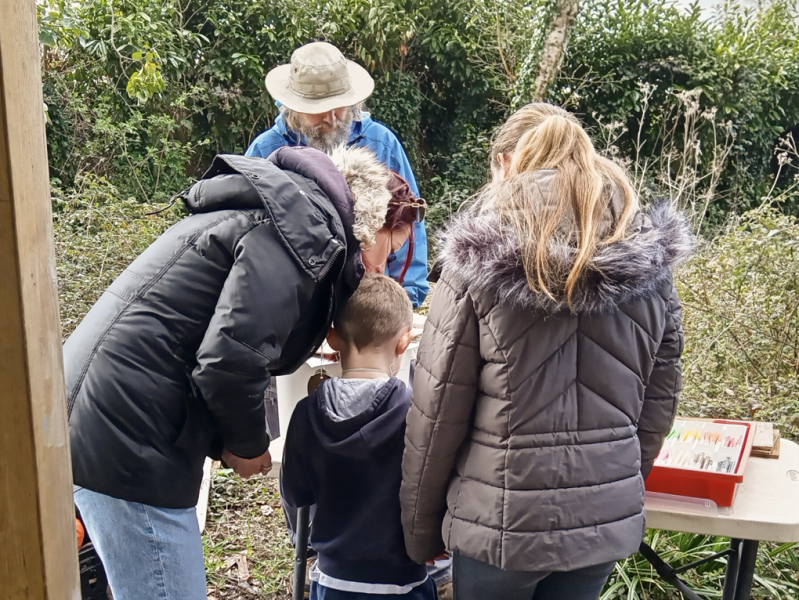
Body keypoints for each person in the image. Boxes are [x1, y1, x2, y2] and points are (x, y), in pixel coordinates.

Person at [65, 144, 392, 600]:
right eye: (389, 247)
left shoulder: (275, 215)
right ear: (368, 224)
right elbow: (230, 362)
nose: (380, 267)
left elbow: (211, 340)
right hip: (129, 436)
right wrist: (247, 445)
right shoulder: (301, 232)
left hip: (97, 411)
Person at [400, 103, 693, 599]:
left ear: (506, 163)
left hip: (498, 528)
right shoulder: (652, 268)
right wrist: (611, 493)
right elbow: (657, 407)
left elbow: (437, 410)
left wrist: (420, 531)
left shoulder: (475, 264)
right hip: (599, 529)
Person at [281, 273, 438, 600]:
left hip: (333, 580)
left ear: (332, 338)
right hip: (403, 581)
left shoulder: (306, 412)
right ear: (404, 342)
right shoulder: (416, 412)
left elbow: (295, 495)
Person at [245, 40, 429, 308]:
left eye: (339, 106)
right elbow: (248, 232)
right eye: (319, 109)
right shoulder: (265, 150)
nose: (331, 119)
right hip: (293, 302)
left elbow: (407, 221)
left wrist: (406, 297)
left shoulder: (381, 143)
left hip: (370, 301)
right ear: (294, 107)